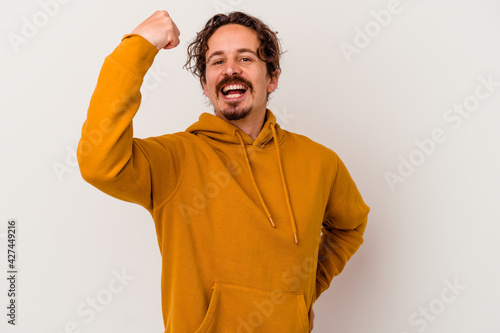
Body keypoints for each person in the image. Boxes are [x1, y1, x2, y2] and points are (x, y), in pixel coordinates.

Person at [77, 10, 370, 333]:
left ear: (272, 77)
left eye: (245, 58)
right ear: (205, 83)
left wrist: (299, 293)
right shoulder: (173, 160)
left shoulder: (320, 162)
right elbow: (98, 162)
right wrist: (139, 45)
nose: (230, 70)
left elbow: (349, 226)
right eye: (217, 62)